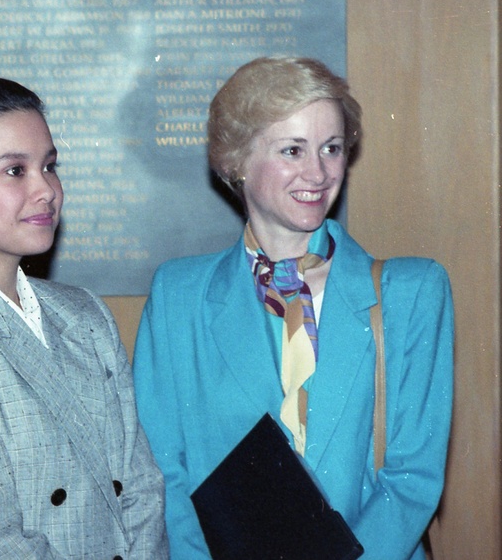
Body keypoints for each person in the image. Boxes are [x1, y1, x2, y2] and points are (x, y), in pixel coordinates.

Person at [133, 56, 454, 559]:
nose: (319, 172)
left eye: (331, 148)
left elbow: (413, 478)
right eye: (292, 150)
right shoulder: (179, 297)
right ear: (237, 161)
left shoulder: (411, 292)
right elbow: (165, 480)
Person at [0, 74, 169, 558]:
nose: (45, 189)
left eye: (49, 166)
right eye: (15, 171)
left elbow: (141, 491)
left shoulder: (84, 314)